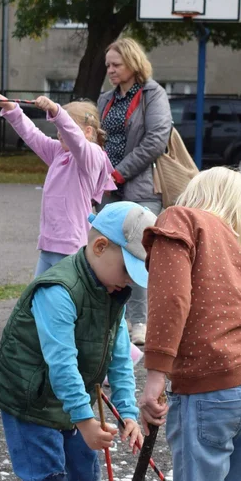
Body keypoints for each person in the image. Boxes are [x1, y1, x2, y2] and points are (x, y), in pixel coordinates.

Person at [0, 201, 153, 481]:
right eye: (126, 271)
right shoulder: (58, 291)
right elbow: (61, 362)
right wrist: (85, 420)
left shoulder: (113, 293)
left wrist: (128, 414)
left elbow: (120, 359)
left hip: (69, 397)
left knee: (85, 476)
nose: (129, 284)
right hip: (30, 400)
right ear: (100, 246)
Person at [138, 166, 241, 481]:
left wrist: (154, 380)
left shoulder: (180, 219)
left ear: (196, 192)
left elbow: (171, 300)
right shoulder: (236, 247)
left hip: (209, 388)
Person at [0, 92, 115, 276]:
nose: (60, 133)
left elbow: (76, 140)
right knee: (37, 299)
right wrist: (10, 107)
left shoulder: (92, 156)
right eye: (58, 128)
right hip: (48, 244)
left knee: (63, 300)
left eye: (64, 127)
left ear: (88, 131)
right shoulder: (58, 152)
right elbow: (31, 135)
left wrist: (56, 111)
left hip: (72, 247)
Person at [97, 37, 172, 346]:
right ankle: (111, 320)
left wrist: (120, 171)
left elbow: (156, 139)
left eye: (116, 65)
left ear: (133, 63)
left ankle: (139, 322)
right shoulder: (106, 98)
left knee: (137, 254)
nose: (111, 71)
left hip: (139, 186)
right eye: (107, 66)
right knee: (105, 250)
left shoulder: (153, 94)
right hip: (107, 185)